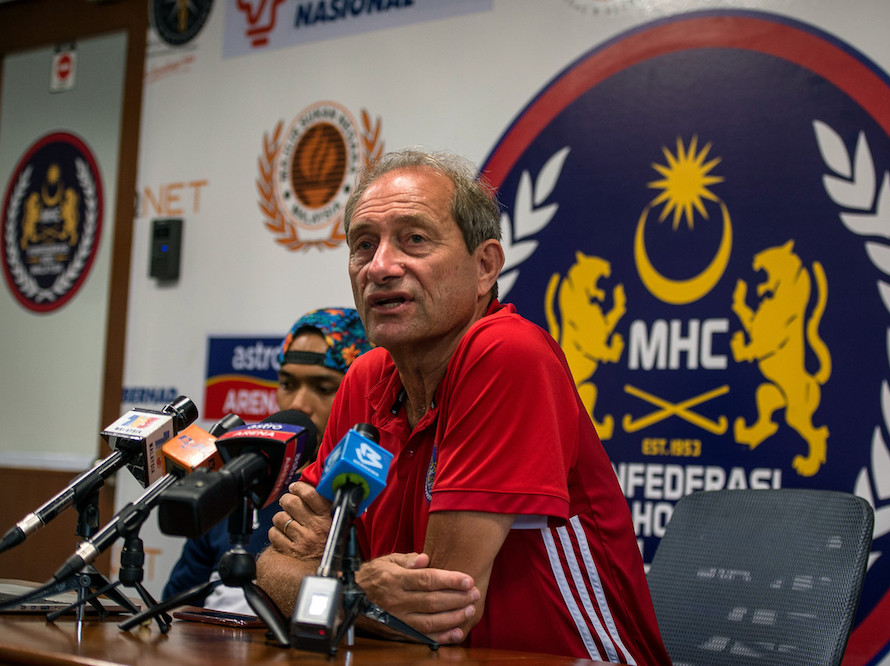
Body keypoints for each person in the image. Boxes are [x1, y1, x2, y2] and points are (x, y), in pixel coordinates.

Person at [256, 150, 671, 664]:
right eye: (364, 245)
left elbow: (439, 612)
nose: (380, 267)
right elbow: (273, 565)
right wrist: (359, 585)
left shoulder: (507, 353)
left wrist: (337, 578)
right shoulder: (364, 380)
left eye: (414, 239)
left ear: (484, 267)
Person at [160, 308, 372, 612]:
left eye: (324, 388)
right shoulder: (240, 483)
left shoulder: (376, 498)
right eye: (287, 384)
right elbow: (174, 609)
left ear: (362, 391)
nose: (299, 404)